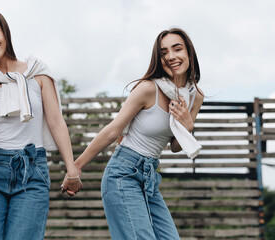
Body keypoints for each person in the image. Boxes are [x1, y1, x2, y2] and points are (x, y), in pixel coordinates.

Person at [62, 28, 204, 239]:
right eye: (164, 52)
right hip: (123, 174)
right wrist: (76, 169)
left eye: (177, 49)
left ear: (189, 53)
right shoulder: (148, 89)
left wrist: (187, 126)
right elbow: (113, 131)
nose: (171, 56)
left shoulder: (195, 96)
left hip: (150, 176)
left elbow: (175, 147)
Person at [0, 8, 82, 240]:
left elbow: (56, 122)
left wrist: (71, 169)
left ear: (5, 32)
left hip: (32, 171)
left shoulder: (37, 73)